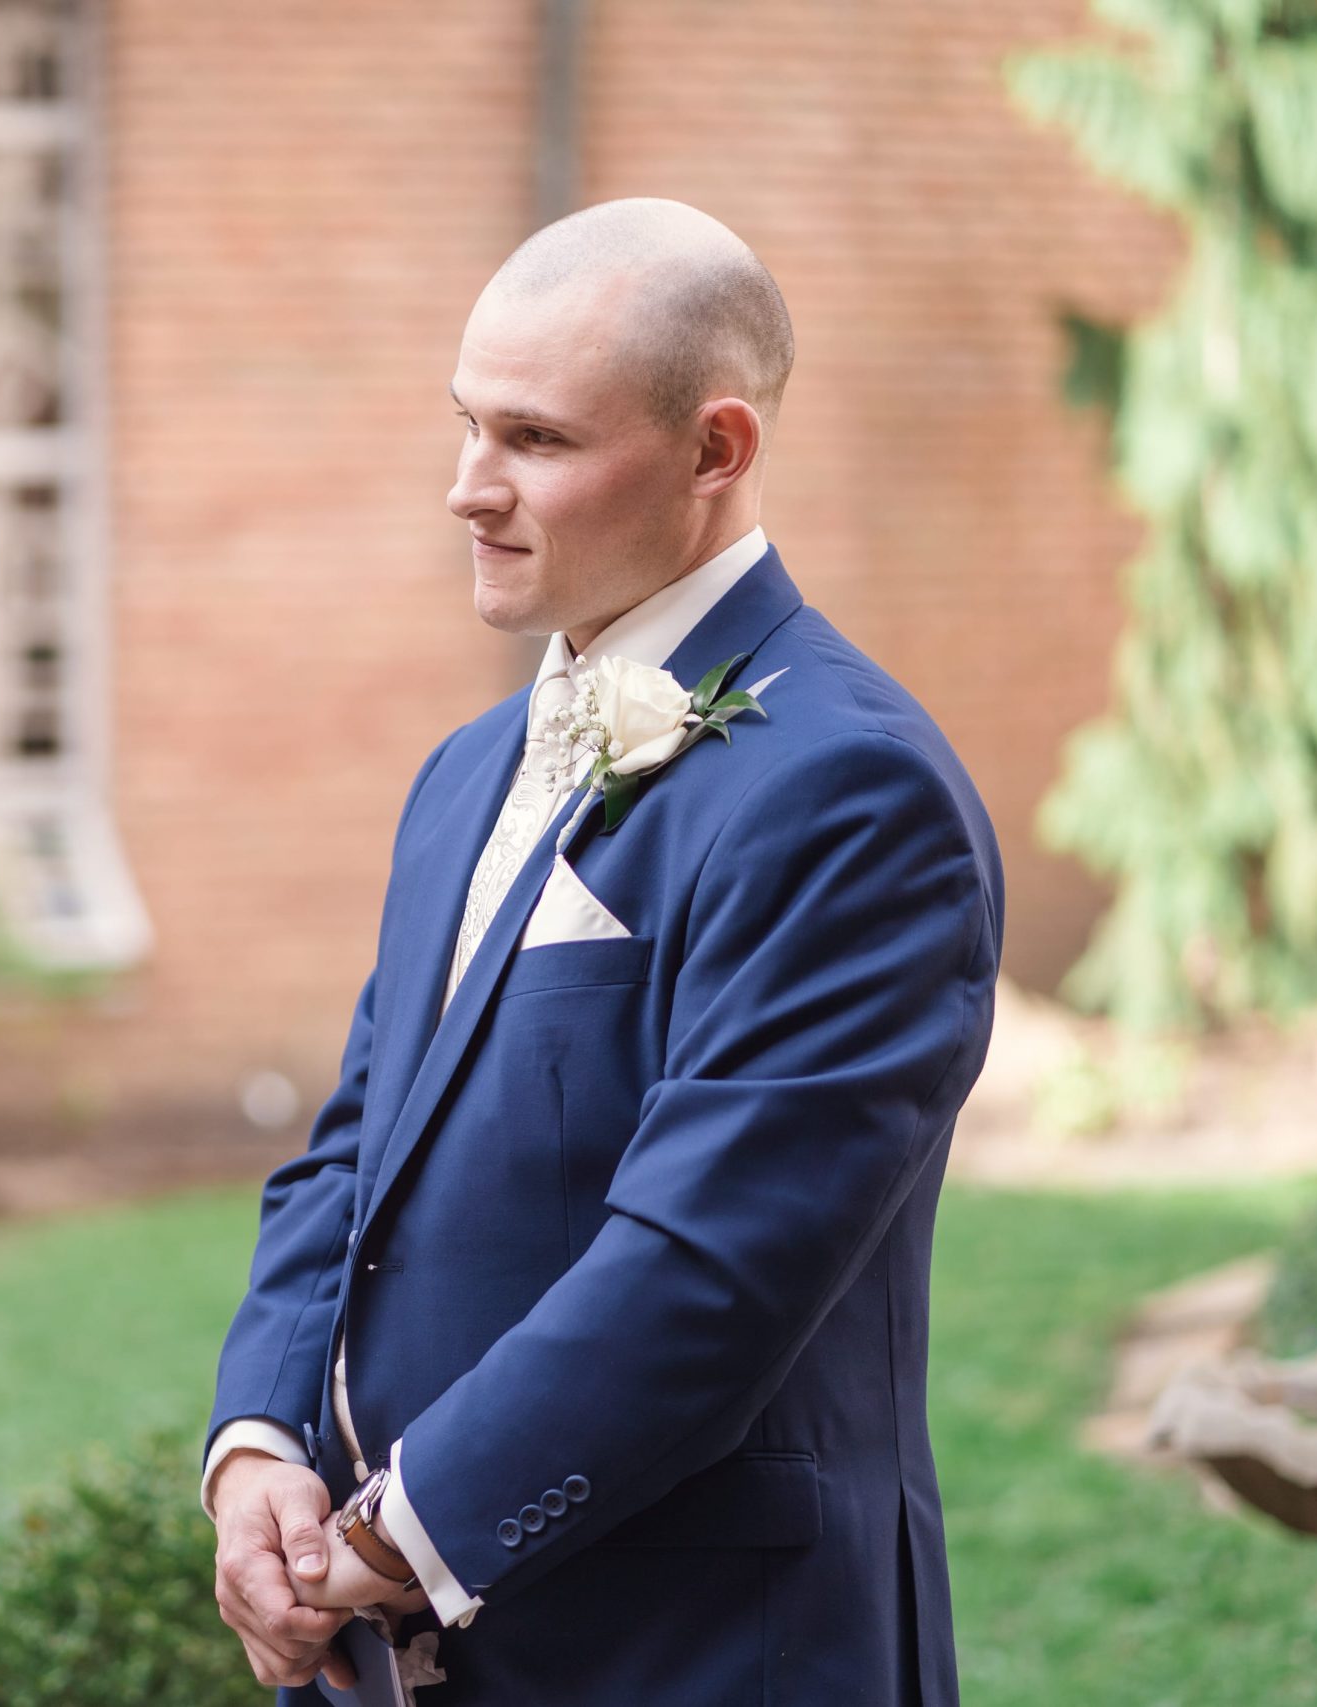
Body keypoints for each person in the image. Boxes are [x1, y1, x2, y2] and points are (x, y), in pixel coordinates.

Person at [204, 198, 1004, 1705]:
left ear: (717, 451)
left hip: (695, 1652)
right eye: (466, 426)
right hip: (395, 1651)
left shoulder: (851, 790)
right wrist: (257, 1446)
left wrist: (393, 1545)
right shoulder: (466, 771)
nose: (468, 488)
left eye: (537, 442)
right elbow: (358, 1148)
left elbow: (707, 1270)